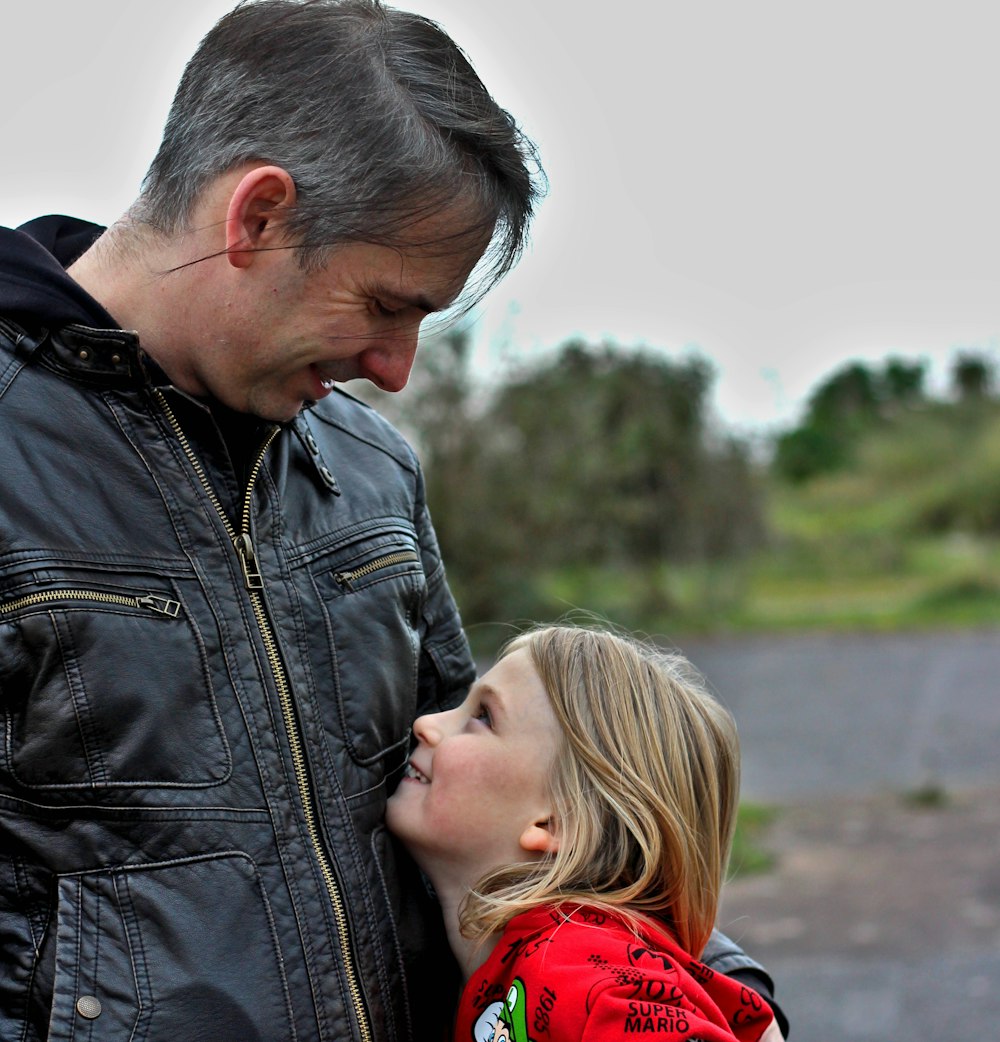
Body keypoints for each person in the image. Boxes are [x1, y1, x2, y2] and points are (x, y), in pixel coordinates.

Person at [0, 3, 781, 1041]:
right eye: (384, 304)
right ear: (259, 215)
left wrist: (725, 996)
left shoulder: (369, 469)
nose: (395, 373)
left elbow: (526, 803)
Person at [386, 624, 785, 1042]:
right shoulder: (557, 962)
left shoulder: (581, 978)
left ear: (555, 823)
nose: (426, 723)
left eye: (483, 717)